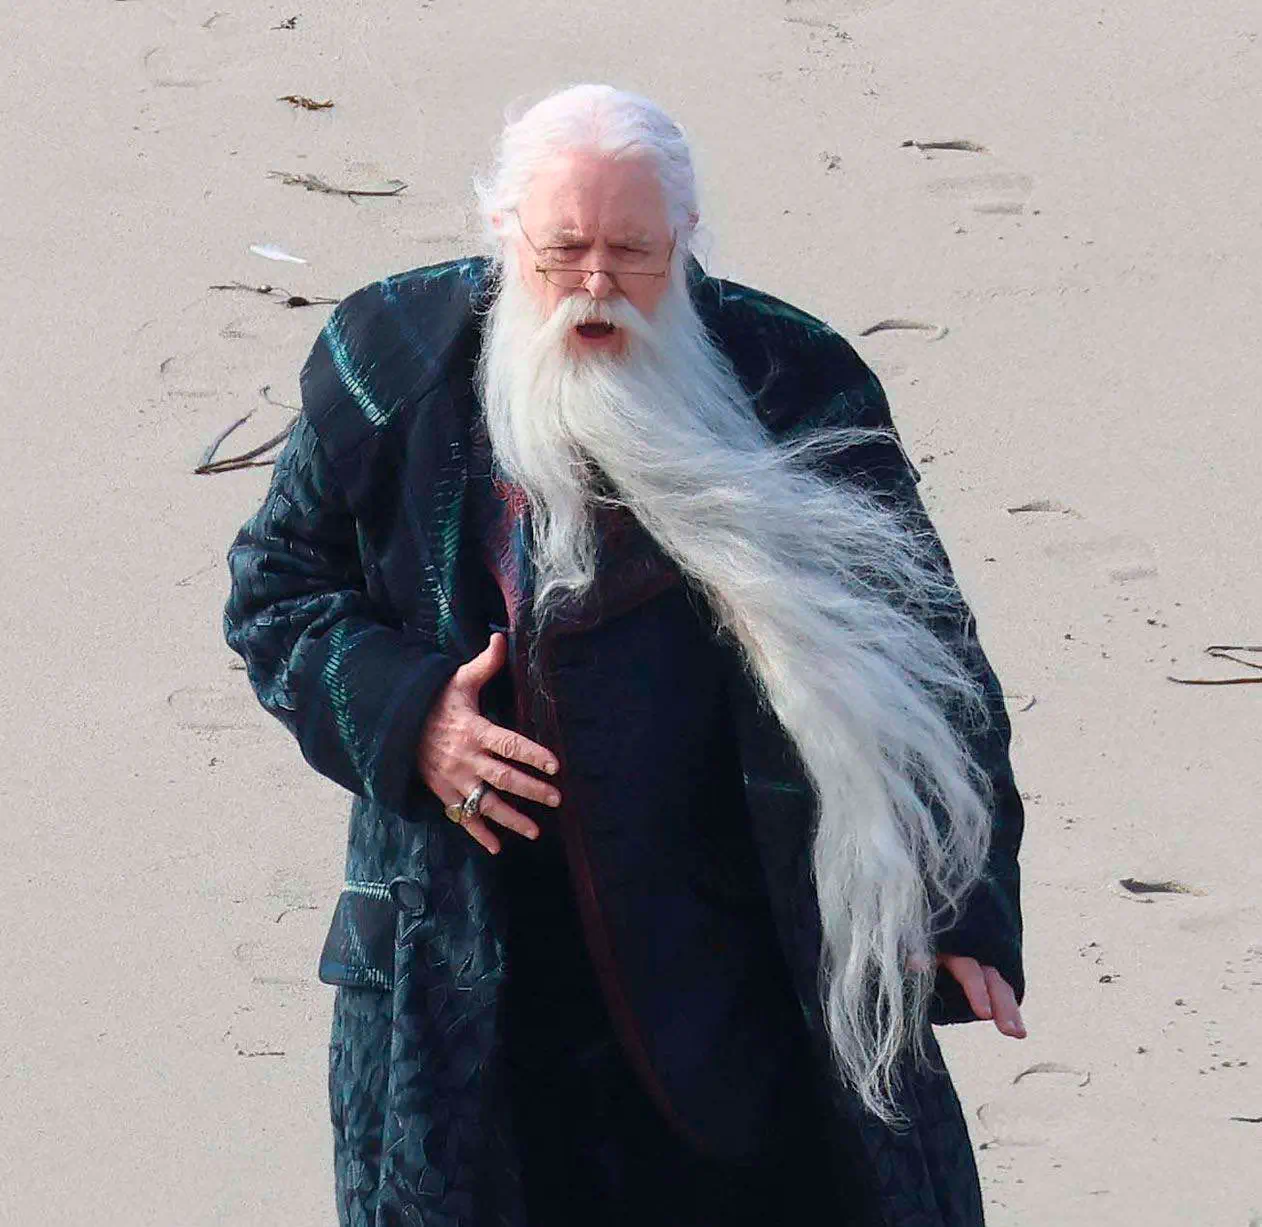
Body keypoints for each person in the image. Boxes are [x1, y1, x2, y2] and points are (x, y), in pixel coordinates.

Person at [223, 83, 1026, 1227]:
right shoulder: (387, 364)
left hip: (747, 976)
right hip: (467, 985)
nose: (595, 287)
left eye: (633, 253)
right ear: (502, 235)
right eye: (563, 252)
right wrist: (412, 718)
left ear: (685, 241)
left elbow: (926, 652)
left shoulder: (797, 382)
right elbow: (276, 588)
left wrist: (957, 904)